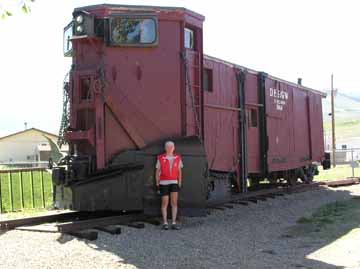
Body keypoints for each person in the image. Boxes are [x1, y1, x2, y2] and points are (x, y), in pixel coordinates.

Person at [155, 141, 183, 230]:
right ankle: (165, 223)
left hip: (174, 182)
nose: (170, 148)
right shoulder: (160, 158)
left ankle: (174, 223)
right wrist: (157, 183)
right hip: (163, 183)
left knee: (174, 203)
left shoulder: (178, 158)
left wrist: (179, 182)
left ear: (174, 148)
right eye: (168, 147)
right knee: (164, 203)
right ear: (165, 148)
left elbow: (179, 171)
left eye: (171, 147)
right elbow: (157, 172)